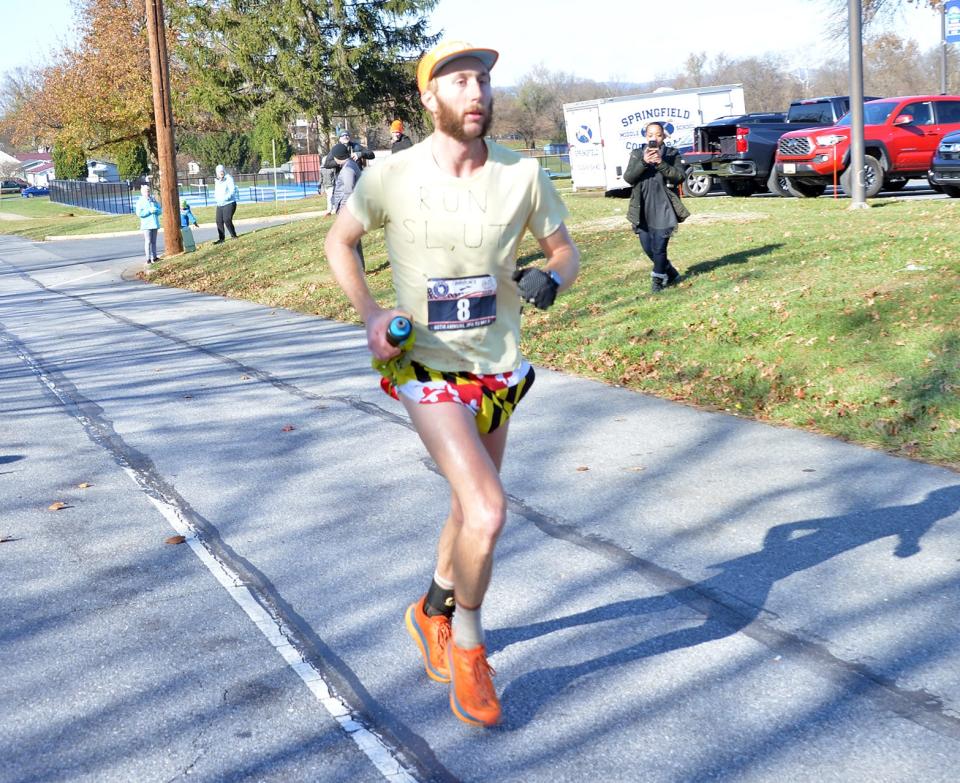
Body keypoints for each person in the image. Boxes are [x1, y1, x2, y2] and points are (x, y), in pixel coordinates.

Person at [324, 39, 580, 728]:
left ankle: (431, 608)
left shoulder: (523, 174)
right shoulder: (390, 174)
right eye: (461, 82)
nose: (477, 93)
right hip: (425, 365)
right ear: (429, 97)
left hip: (496, 369)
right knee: (488, 509)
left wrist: (551, 276)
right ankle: (467, 643)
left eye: (484, 82)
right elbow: (338, 241)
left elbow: (565, 247)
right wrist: (372, 313)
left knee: (469, 511)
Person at [622, 121, 690, 293]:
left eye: (658, 135)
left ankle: (658, 280)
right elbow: (629, 178)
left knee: (659, 248)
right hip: (642, 207)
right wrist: (644, 162)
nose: (654, 138)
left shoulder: (671, 153)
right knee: (648, 248)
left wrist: (660, 162)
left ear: (664, 136)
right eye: (650, 135)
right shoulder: (638, 153)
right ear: (646, 136)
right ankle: (671, 272)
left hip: (664, 207)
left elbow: (679, 177)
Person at [329, 143, 364, 269]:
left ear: (338, 156)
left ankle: (355, 267)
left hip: (349, 210)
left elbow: (348, 191)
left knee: (348, 240)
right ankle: (358, 267)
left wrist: (343, 211)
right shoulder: (350, 165)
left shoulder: (348, 170)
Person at [134, 184, 162, 265]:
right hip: (146, 225)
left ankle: (155, 257)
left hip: (155, 224)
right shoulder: (140, 202)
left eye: (149, 191)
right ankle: (148, 259)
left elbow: (159, 210)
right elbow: (139, 213)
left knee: (154, 242)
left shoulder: (153, 200)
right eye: (146, 191)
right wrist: (149, 211)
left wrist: (156, 210)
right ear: (142, 192)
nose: (148, 192)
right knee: (148, 241)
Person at [213, 164, 238, 243]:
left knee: (227, 219)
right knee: (219, 221)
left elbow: (232, 191)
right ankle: (221, 239)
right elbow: (217, 192)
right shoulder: (217, 181)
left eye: (222, 171)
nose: (221, 173)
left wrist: (225, 198)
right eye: (219, 171)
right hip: (220, 204)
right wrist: (216, 198)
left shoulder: (229, 178)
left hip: (229, 203)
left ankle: (234, 236)